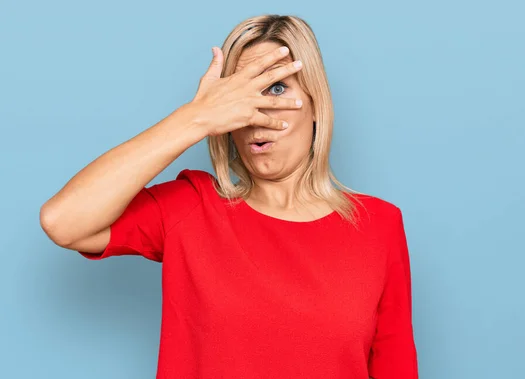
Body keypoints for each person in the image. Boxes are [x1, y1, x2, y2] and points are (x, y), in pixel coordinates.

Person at [40, 14, 418, 379]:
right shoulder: (191, 208)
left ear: (316, 103)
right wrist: (196, 118)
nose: (256, 112)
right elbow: (64, 221)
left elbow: (396, 368)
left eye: (275, 88)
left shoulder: (378, 226)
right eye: (240, 94)